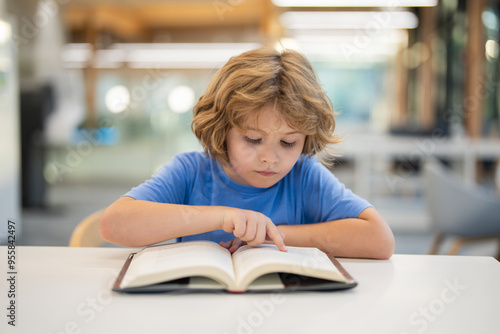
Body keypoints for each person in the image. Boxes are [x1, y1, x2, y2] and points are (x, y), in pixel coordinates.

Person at [99, 47, 395, 259]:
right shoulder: (191, 171)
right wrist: (225, 216)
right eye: (253, 139)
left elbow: (379, 240)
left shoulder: (303, 176)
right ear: (222, 130)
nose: (270, 158)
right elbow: (114, 224)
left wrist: (273, 234)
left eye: (288, 143)